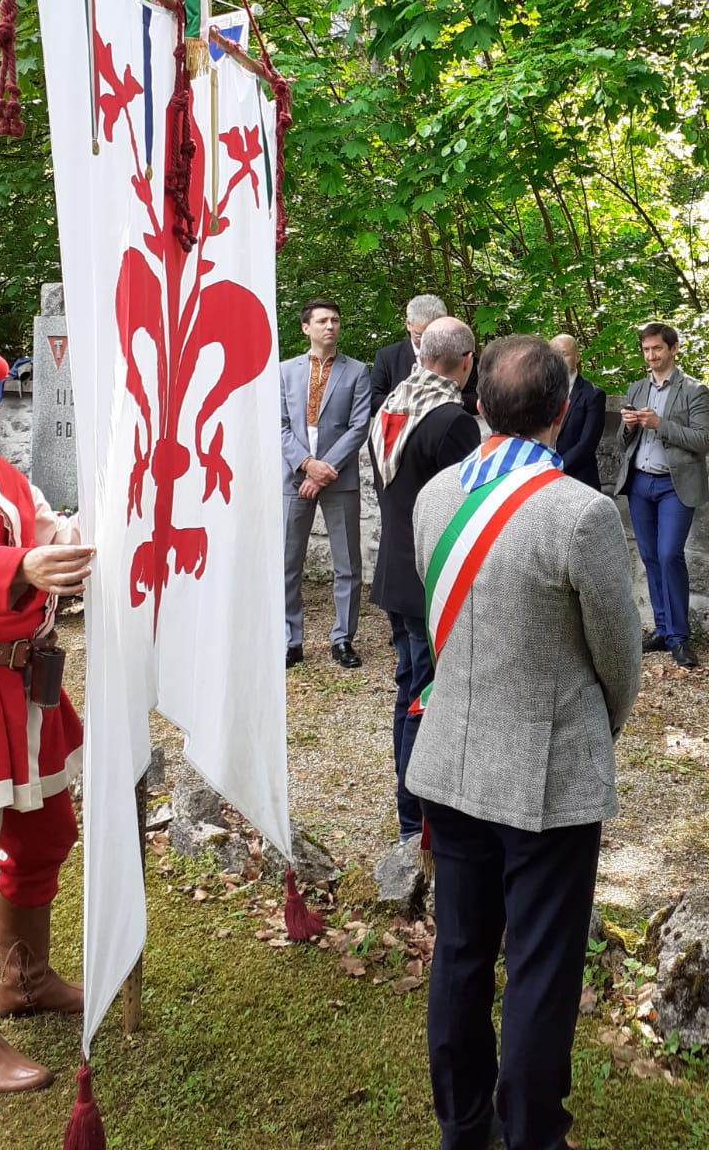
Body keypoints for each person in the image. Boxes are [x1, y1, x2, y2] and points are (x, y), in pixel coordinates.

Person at [408, 335, 641, 1150]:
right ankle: (533, 1134)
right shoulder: (581, 512)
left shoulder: (435, 495)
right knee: (542, 965)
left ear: (478, 403)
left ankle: (463, 1126)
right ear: (564, 410)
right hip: (547, 771)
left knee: (462, 952)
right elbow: (621, 655)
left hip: (448, 756)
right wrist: (598, 728)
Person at [0, 342, 95, 1092]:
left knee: (47, 830)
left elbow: (44, 528)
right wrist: (18, 569)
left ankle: (23, 977)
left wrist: (71, 541)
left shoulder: (2, 473)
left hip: (27, 688)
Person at [368, 317, 480, 843]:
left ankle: (407, 810)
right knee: (426, 694)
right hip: (432, 577)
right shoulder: (451, 420)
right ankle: (420, 819)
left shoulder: (391, 405)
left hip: (394, 569)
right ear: (465, 361)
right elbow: (462, 510)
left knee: (407, 684)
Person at [612, 321, 709, 668]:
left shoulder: (694, 390)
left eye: (657, 349)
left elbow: (704, 440)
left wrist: (660, 425)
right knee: (651, 557)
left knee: (670, 555)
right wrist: (628, 426)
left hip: (674, 484)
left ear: (673, 348)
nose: (651, 356)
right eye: (646, 350)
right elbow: (622, 444)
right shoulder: (637, 388)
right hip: (640, 483)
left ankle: (680, 638)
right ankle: (662, 629)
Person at [281, 299, 372, 668]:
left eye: (335, 319)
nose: (330, 326)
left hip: (339, 478)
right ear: (306, 328)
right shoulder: (284, 371)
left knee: (347, 563)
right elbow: (279, 425)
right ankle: (291, 640)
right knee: (288, 561)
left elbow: (359, 427)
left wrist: (325, 469)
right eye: (322, 321)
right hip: (294, 477)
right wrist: (306, 465)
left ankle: (343, 639)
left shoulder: (358, 371)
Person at [368, 294, 479, 420]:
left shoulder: (462, 354)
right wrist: (414, 402)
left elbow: (477, 399)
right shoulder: (388, 357)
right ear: (408, 324)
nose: (428, 342)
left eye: (435, 336)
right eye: (420, 336)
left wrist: (439, 401)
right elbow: (373, 399)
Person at [549, 334, 606, 489]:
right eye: (555, 355)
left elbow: (587, 444)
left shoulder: (593, 395)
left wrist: (555, 468)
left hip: (580, 481)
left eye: (565, 354)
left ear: (577, 357)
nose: (559, 360)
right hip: (544, 481)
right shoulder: (540, 392)